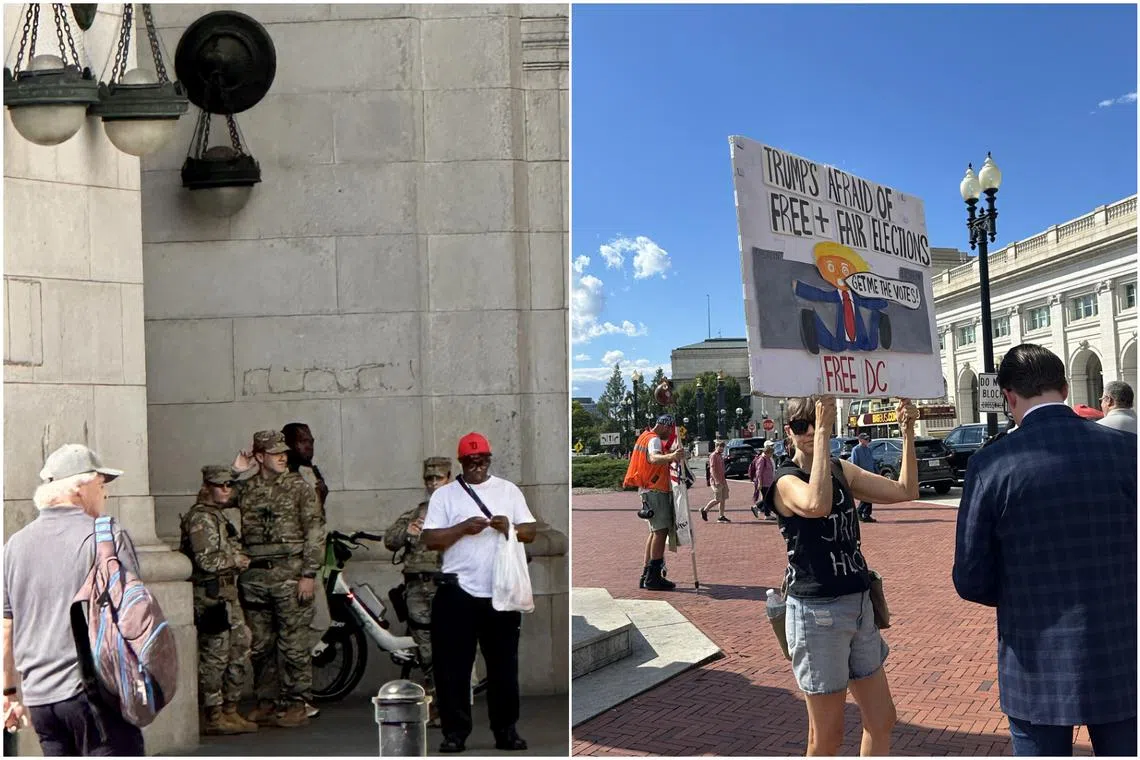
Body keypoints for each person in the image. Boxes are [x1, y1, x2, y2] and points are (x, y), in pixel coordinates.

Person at [954, 344, 1137, 756]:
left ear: (1009, 396)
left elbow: (970, 577)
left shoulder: (991, 464)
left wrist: (1020, 591)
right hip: (1122, 646)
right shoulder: (1128, 451)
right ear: (1066, 388)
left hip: (1034, 656)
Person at [763, 396, 919, 756]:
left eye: (814, 424)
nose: (808, 432)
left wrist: (907, 432)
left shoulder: (840, 469)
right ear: (789, 432)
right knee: (827, 737)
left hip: (859, 605)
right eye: (800, 426)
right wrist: (823, 433)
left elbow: (905, 491)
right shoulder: (785, 481)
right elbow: (816, 504)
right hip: (817, 614)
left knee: (882, 719)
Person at [3, 444, 145, 755]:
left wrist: (9, 692)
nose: (105, 493)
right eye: (101, 483)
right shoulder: (106, 537)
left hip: (40, 700)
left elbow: (7, 626)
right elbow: (135, 615)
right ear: (79, 488)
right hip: (93, 693)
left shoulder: (14, 545)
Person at [421, 433, 537, 754]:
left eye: (483, 459)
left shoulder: (508, 490)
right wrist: (461, 528)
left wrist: (508, 527)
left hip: (500, 591)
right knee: (452, 669)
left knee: (503, 666)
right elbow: (430, 539)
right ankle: (455, 732)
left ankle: (506, 730)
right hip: (457, 591)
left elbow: (531, 530)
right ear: (461, 462)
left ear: (490, 459)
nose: (478, 466)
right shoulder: (445, 496)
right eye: (471, 461)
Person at [231, 430, 325, 728]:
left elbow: (315, 532)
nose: (283, 457)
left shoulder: (300, 487)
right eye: (275, 453)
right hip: (256, 575)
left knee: (294, 643)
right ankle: (267, 701)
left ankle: (298, 702)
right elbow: (210, 500)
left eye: (284, 452)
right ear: (259, 457)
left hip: (290, 572)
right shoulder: (246, 489)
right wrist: (235, 471)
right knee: (261, 644)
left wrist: (308, 574)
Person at [180, 465, 258, 735]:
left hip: (227, 594)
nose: (226, 489)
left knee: (240, 647)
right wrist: (235, 560)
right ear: (207, 487)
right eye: (220, 485)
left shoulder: (219, 517)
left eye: (229, 485)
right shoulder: (200, 518)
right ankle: (214, 713)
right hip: (211, 596)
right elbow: (206, 560)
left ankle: (230, 709)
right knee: (215, 656)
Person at [384, 456, 453, 726]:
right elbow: (389, 540)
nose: (434, 483)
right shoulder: (418, 511)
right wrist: (407, 532)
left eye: (439, 478)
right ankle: (435, 699)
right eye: (429, 479)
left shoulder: (456, 510)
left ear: (449, 478)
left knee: (445, 646)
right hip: (416, 587)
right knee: (424, 648)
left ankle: (447, 702)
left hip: (444, 585)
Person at [623, 415, 686, 590]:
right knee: (661, 531)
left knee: (654, 532)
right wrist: (672, 455)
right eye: (670, 430)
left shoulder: (644, 436)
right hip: (655, 489)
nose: (670, 433)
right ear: (665, 426)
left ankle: (647, 573)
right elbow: (653, 458)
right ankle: (653, 577)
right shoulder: (654, 440)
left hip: (648, 489)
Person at [282, 422, 330, 509]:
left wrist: (322, 494)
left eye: (311, 442)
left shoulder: (313, 472)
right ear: (288, 444)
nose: (309, 446)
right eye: (303, 441)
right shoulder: (278, 472)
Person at [849, 433, 877, 522]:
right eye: (865, 439)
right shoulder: (856, 450)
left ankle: (866, 514)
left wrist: (876, 472)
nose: (867, 441)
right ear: (860, 440)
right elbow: (854, 464)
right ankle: (860, 511)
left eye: (868, 439)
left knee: (871, 495)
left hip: (871, 475)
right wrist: (857, 475)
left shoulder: (868, 449)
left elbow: (872, 461)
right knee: (866, 496)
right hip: (862, 476)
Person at [701, 440, 730, 523]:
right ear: (716, 447)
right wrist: (716, 480)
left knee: (723, 499)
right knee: (717, 499)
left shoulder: (720, 456)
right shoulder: (713, 456)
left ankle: (721, 516)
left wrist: (723, 480)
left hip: (723, 480)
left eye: (722, 447)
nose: (721, 448)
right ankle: (705, 510)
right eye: (720, 446)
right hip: (716, 481)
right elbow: (712, 469)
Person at [749, 441, 777, 521]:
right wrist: (760, 483)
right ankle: (757, 508)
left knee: (767, 498)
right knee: (767, 498)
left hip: (769, 482)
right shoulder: (762, 459)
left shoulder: (767, 459)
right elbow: (759, 472)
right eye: (771, 453)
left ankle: (766, 514)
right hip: (764, 483)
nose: (771, 455)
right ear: (767, 453)